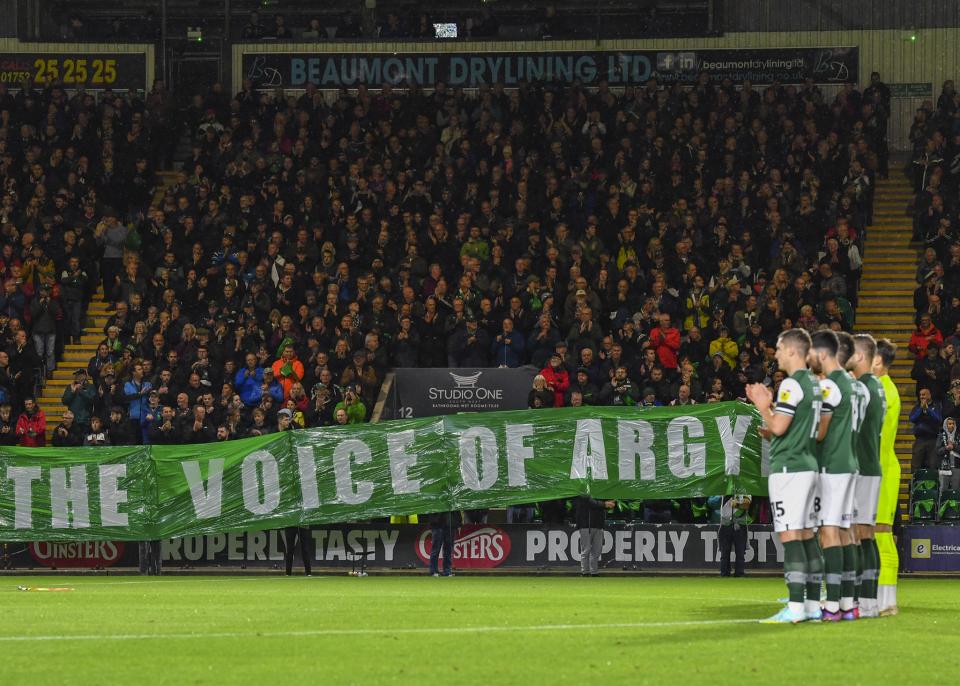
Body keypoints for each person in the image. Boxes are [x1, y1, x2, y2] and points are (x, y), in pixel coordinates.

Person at [745, 329, 821, 624]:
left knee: (791, 536)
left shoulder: (792, 383)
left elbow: (778, 427)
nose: (775, 354)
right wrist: (774, 417)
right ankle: (812, 605)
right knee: (807, 536)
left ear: (791, 350)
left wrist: (763, 406)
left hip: (789, 469)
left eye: (778, 348)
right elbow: (795, 427)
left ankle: (795, 607)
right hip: (808, 465)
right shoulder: (814, 384)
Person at [809, 330, 859, 621]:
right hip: (848, 462)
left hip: (833, 465)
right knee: (845, 532)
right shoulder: (852, 383)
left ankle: (832, 605)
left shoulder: (830, 385)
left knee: (829, 533)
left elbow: (819, 433)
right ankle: (848, 603)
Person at [847, 334, 886, 618]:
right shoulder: (876, 385)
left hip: (862, 466)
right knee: (865, 532)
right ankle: (867, 599)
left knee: (858, 532)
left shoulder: (863, 388)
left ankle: (861, 599)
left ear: (860, 356)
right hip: (870, 465)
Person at [710, 494, 752, 577]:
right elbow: (712, 503)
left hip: (740, 525)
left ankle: (739, 574)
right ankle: (724, 574)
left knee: (740, 553)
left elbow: (747, 504)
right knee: (724, 553)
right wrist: (721, 497)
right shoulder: (724, 491)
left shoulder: (745, 490)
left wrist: (736, 503)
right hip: (725, 524)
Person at [573, 496, 614, 576]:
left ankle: (594, 572)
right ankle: (585, 572)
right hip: (585, 526)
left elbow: (601, 505)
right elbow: (591, 502)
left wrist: (609, 504)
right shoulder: (583, 494)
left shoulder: (600, 494)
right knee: (586, 550)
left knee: (597, 550)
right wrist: (605, 504)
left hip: (598, 525)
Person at [909, 387, 942, 470]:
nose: (921, 397)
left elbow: (938, 419)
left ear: (929, 395)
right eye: (920, 395)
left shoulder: (936, 406)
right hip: (920, 440)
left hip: (932, 440)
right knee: (916, 465)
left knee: (932, 465)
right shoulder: (917, 407)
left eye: (923, 395)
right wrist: (921, 408)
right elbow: (912, 418)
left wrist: (928, 409)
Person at [428, 510, 459, 577]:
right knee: (436, 549)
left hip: (450, 526)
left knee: (448, 550)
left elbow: (456, 510)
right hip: (437, 526)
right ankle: (433, 571)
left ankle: (447, 571)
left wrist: (458, 523)